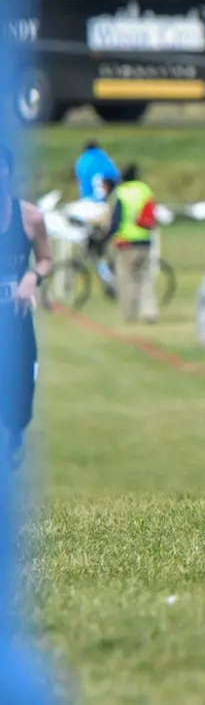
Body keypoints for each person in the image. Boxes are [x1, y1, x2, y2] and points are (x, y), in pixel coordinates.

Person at [0, 144, 52, 467]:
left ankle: (15, 431)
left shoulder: (31, 217)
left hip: (16, 319)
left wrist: (33, 276)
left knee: (21, 393)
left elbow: (46, 259)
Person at [105, 163, 159, 324]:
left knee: (127, 280)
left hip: (126, 242)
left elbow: (116, 219)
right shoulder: (145, 190)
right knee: (146, 279)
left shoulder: (121, 193)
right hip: (145, 240)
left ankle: (129, 313)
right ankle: (149, 312)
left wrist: (107, 236)